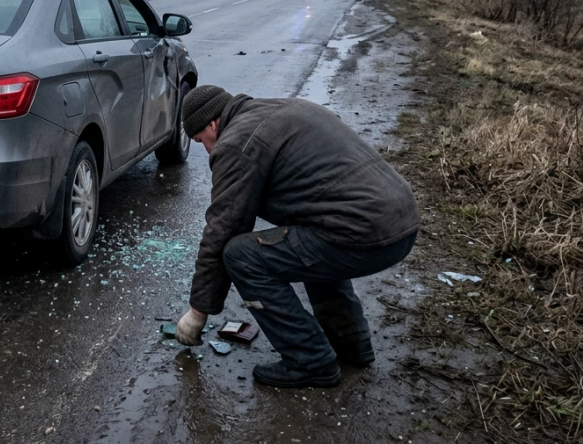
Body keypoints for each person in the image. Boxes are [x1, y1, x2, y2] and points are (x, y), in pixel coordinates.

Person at [174, 85, 419, 388]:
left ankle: (311, 361)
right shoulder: (282, 108)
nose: (207, 150)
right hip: (401, 221)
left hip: (366, 234)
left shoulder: (236, 143)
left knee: (240, 255)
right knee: (309, 242)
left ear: (212, 124)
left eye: (201, 141)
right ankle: (352, 345)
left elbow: (222, 230)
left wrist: (199, 311)